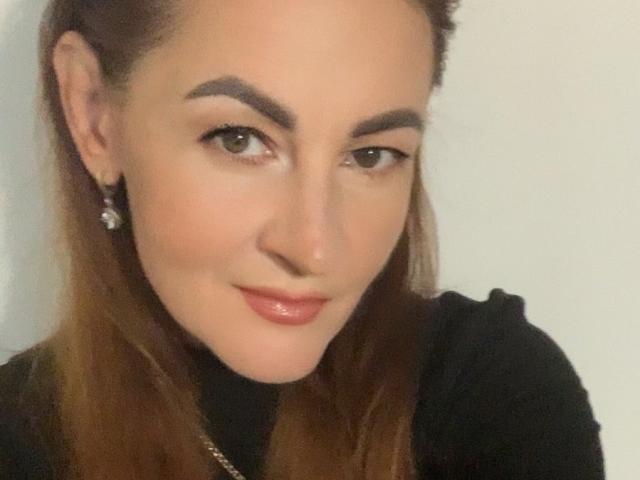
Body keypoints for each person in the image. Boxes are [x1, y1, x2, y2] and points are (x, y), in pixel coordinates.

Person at [0, 0, 605, 479]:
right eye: (238, 139)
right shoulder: (19, 441)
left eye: (371, 155)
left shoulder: (487, 393)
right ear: (94, 115)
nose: (315, 249)